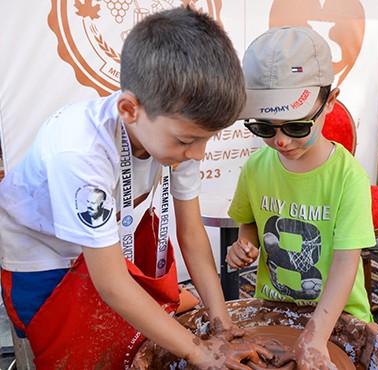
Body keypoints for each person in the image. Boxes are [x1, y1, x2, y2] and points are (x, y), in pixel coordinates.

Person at [0, 7, 273, 369]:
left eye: (208, 140)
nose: (198, 153)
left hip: (106, 243)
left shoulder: (182, 134)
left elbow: (191, 235)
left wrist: (221, 327)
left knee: (140, 336)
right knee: (74, 355)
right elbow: (111, 284)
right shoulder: (80, 151)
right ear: (130, 109)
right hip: (42, 255)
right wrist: (199, 352)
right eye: (187, 141)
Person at [225, 26, 376, 369]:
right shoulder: (255, 168)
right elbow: (248, 221)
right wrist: (244, 245)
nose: (280, 140)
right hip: (274, 307)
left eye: (295, 126)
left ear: (331, 102)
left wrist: (316, 334)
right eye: (264, 127)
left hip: (338, 316)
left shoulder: (347, 178)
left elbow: (344, 262)